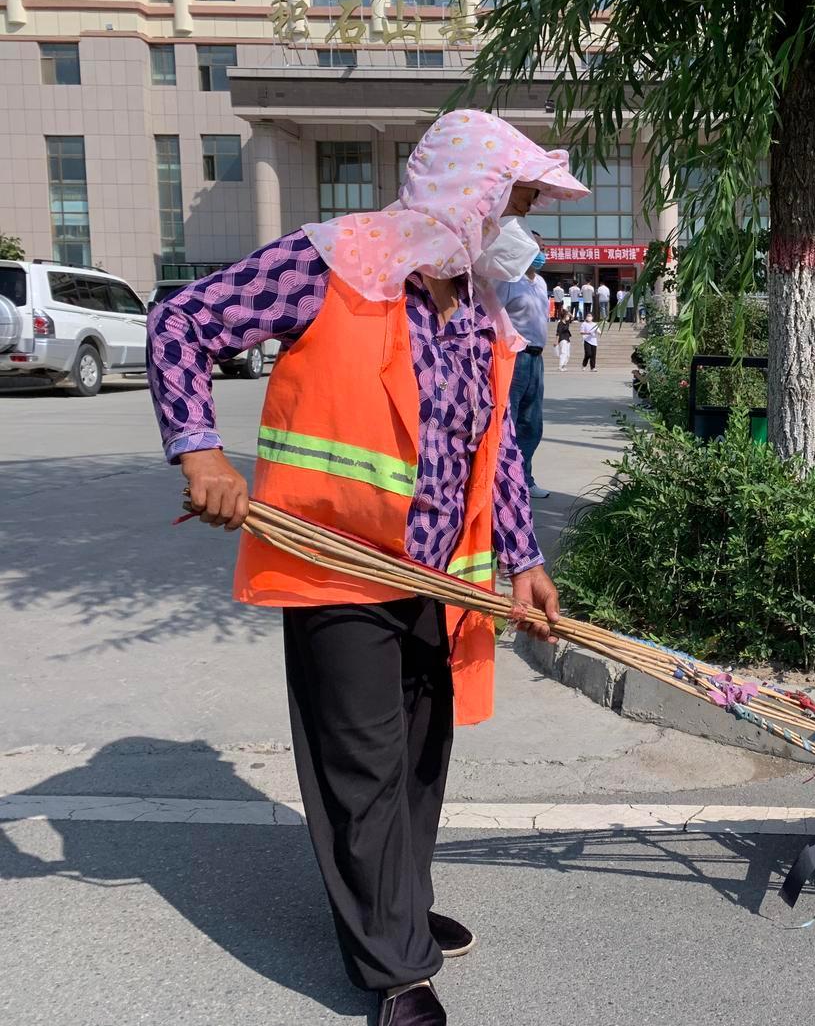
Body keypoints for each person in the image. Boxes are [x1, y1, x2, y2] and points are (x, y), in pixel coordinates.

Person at [146, 110, 588, 1026]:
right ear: (467, 192)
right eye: (515, 197)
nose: (521, 217)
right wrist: (201, 452)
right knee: (364, 766)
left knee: (422, 758)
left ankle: (396, 908)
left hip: (443, 578)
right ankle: (393, 973)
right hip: (337, 566)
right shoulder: (329, 261)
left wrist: (524, 559)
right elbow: (182, 322)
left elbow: (493, 446)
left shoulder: (477, 299)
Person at [497, 237, 553, 500]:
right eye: (536, 247)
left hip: (536, 358)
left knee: (532, 423)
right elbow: (492, 315)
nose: (541, 253)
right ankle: (505, 481)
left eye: (543, 248)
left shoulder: (541, 283)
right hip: (514, 356)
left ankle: (524, 478)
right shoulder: (508, 281)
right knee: (510, 420)